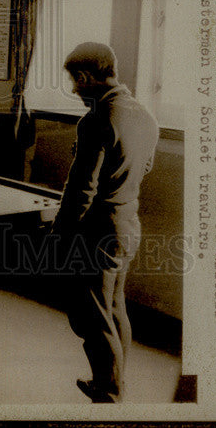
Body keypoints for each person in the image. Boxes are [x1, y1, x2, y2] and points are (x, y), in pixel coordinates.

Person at [50, 42, 158, 403]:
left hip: (97, 230)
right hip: (128, 223)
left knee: (90, 317)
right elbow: (144, 168)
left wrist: (60, 235)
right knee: (114, 308)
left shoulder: (96, 119)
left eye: (75, 82)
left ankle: (109, 394)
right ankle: (113, 381)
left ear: (84, 77)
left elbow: (81, 189)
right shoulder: (144, 114)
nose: (75, 90)